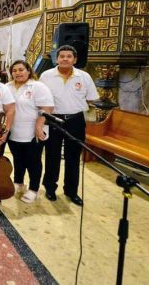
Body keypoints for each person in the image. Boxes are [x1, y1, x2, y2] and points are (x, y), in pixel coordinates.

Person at [40, 45, 99, 206]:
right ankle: (50, 188)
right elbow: (40, 98)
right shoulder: (46, 76)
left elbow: (92, 97)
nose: (65, 59)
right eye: (62, 56)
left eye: (69, 56)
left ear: (75, 59)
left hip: (75, 120)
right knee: (52, 156)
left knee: (73, 157)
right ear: (56, 59)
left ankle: (71, 191)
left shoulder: (84, 76)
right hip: (53, 119)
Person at [6, 60, 54, 203]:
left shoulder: (37, 86)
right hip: (14, 130)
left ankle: (33, 189)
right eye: (14, 70)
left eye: (21, 69)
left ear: (28, 70)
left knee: (33, 162)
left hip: (33, 132)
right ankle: (18, 182)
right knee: (18, 159)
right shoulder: (8, 87)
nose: (18, 73)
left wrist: (39, 127)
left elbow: (47, 108)